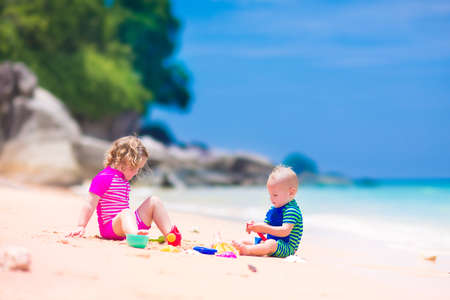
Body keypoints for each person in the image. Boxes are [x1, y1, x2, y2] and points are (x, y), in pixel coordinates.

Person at [67, 136, 181, 245]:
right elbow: (89, 204)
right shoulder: (104, 177)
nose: (136, 172)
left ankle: (170, 235)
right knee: (126, 212)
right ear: (121, 163)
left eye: (139, 169)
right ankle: (135, 236)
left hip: (128, 224)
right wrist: (81, 225)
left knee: (154, 201)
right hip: (110, 228)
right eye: (134, 168)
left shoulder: (122, 179)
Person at [232, 165, 303, 257]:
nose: (271, 199)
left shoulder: (291, 210)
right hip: (271, 242)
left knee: (270, 244)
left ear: (291, 192)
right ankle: (230, 247)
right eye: (270, 195)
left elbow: (284, 231)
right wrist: (255, 227)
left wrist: (264, 228)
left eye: (275, 195)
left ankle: (248, 251)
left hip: (287, 247)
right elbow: (265, 228)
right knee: (246, 241)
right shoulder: (274, 209)